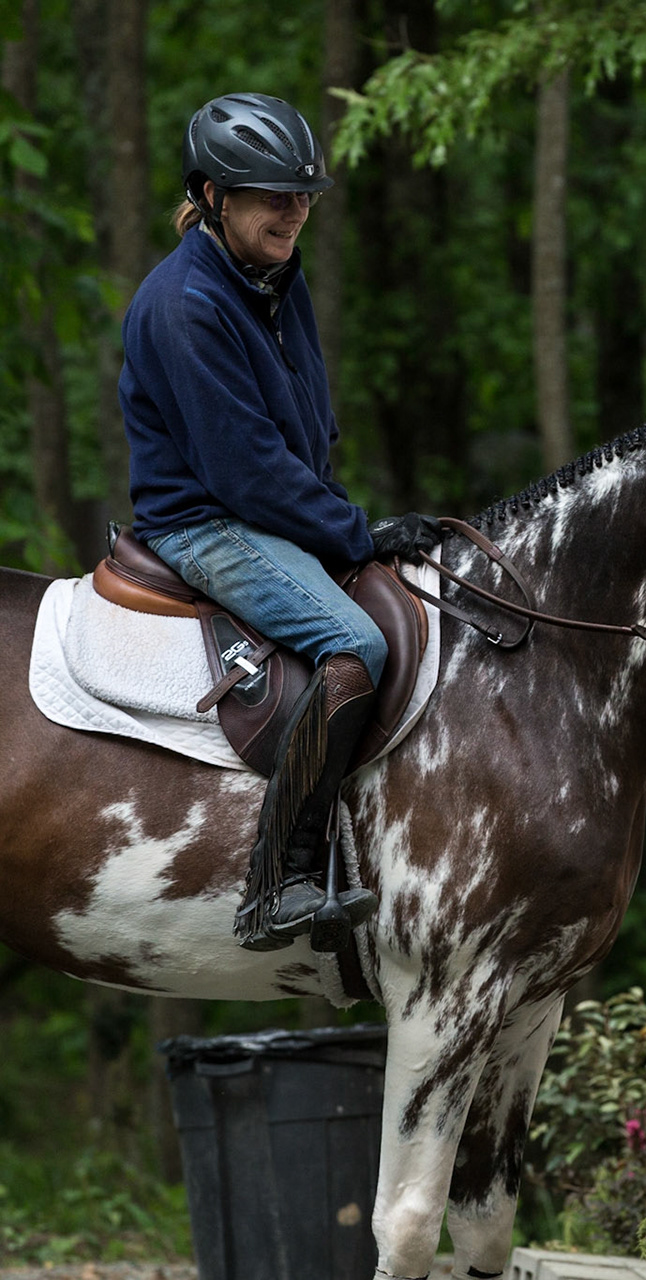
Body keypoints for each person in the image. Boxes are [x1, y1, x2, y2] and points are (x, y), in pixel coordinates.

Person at [119, 92, 440, 951]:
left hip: (266, 508)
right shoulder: (187, 304)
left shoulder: (271, 278)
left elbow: (306, 433)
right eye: (271, 194)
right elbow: (247, 472)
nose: (294, 210)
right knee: (357, 643)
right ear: (215, 195)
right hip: (203, 522)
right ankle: (280, 881)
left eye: (302, 194)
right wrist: (355, 534)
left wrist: (345, 523)